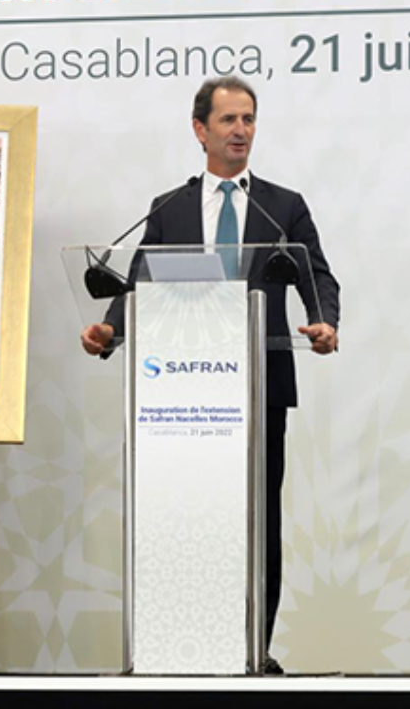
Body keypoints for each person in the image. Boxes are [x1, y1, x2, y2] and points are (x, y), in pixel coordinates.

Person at [79, 76, 340, 672]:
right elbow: (138, 282)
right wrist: (110, 332)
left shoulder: (284, 206)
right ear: (200, 130)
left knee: (258, 522)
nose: (241, 130)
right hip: (182, 391)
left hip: (260, 384)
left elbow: (316, 276)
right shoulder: (169, 208)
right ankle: (173, 646)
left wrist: (324, 321)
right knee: (185, 518)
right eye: (228, 120)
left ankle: (254, 651)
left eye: (248, 119)